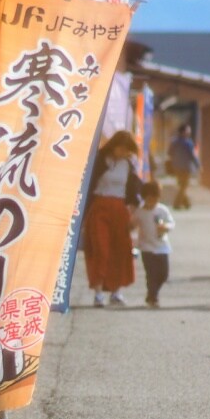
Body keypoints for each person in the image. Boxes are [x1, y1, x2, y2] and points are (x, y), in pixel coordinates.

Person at [82, 129, 140, 307]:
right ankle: (98, 293)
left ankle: (116, 291)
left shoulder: (128, 165)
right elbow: (87, 187)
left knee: (120, 250)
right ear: (113, 146)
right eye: (121, 149)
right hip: (99, 207)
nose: (123, 153)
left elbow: (134, 192)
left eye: (126, 150)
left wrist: (135, 214)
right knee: (101, 248)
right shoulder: (99, 161)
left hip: (120, 209)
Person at [131, 180, 175, 307]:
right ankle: (152, 296)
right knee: (151, 274)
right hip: (146, 247)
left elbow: (171, 223)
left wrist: (165, 227)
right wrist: (131, 227)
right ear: (145, 198)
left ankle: (152, 293)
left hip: (162, 247)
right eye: (150, 198)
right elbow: (132, 225)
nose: (152, 202)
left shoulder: (162, 210)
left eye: (155, 198)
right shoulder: (140, 212)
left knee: (163, 274)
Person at [166, 123, 200, 210]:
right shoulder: (188, 142)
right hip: (185, 167)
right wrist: (198, 165)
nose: (189, 131)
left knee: (182, 185)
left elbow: (169, 153)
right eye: (188, 130)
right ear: (184, 131)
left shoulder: (174, 141)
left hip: (176, 167)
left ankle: (186, 203)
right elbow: (192, 155)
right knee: (183, 186)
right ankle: (177, 203)